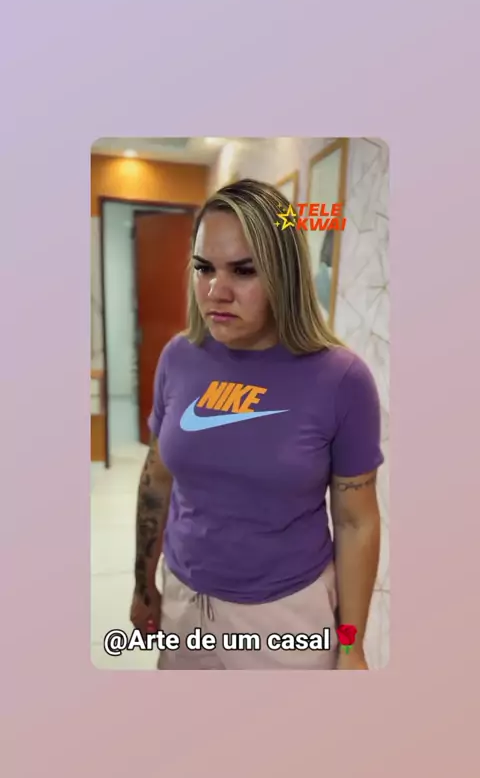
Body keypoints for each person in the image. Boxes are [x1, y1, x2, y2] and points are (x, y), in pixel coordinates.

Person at [130, 178, 383, 670]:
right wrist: (143, 586)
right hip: (184, 599)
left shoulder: (341, 379)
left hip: (287, 617)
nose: (215, 291)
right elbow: (157, 480)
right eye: (203, 268)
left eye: (243, 270)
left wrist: (352, 646)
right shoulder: (179, 356)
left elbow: (357, 522)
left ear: (284, 274)